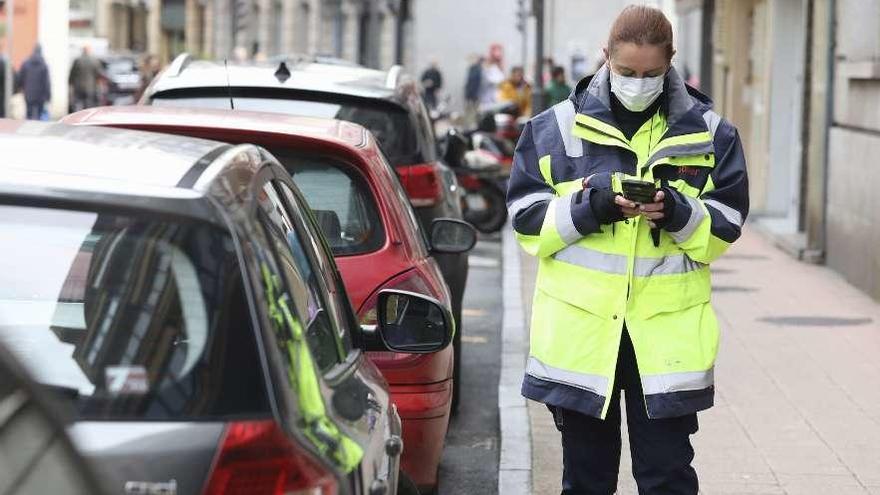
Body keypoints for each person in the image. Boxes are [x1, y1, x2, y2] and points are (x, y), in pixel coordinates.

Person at [506, 5, 749, 494]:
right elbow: (527, 221)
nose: (638, 81)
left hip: (664, 344)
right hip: (582, 341)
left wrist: (676, 213)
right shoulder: (552, 129)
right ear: (605, 58)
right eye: (627, 72)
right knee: (588, 482)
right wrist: (592, 207)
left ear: (671, 61)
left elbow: (724, 227)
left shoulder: (712, 134)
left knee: (667, 480)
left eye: (652, 73)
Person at [17, 44, 51, 120]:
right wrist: (48, 96)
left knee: (28, 113)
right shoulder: (44, 65)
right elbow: (47, 82)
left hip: (28, 93)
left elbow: (20, 77)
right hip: (40, 95)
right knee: (39, 115)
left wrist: (20, 87)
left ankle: (27, 128)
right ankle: (37, 129)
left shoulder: (25, 63)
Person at [69, 46, 104, 112]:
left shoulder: (77, 60)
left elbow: (72, 74)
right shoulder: (94, 60)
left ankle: (77, 118)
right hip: (90, 87)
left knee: (77, 104)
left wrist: (70, 84)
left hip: (78, 87)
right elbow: (99, 74)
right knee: (88, 105)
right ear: (89, 51)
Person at [464, 54, 484, 126]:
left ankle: (473, 124)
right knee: (469, 111)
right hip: (470, 94)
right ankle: (469, 124)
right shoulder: (472, 69)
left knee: (475, 111)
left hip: (475, 94)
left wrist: (475, 94)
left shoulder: (478, 69)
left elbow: (477, 83)